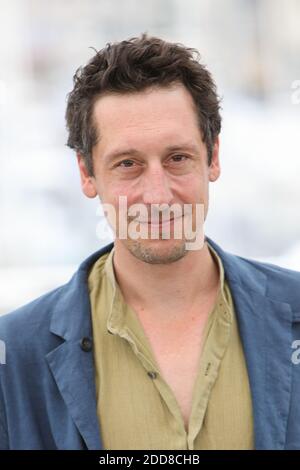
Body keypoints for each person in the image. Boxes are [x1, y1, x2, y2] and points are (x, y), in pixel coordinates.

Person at [0, 33, 300, 451]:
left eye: (177, 158)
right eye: (128, 164)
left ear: (212, 157)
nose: (158, 195)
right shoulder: (14, 354)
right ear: (87, 174)